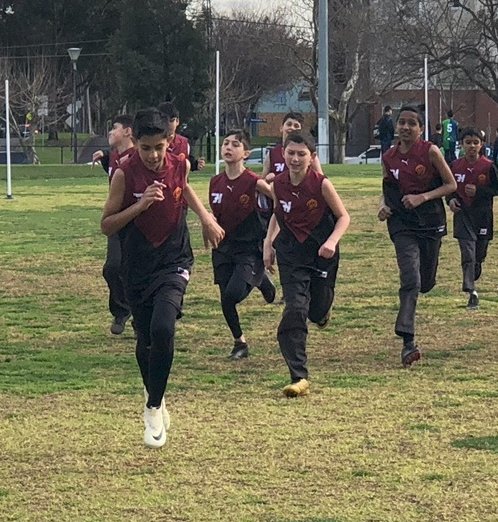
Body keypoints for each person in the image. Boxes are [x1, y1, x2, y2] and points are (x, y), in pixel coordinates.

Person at [100, 108, 224, 448]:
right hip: (137, 263)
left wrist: (205, 218)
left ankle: (153, 407)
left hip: (174, 258)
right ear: (135, 144)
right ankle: (155, 390)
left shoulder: (179, 163)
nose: (154, 156)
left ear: (169, 142)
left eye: (160, 147)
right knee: (145, 338)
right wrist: (140, 206)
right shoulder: (124, 175)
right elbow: (106, 224)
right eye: (146, 148)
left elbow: (183, 188)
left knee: (163, 327)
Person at [263, 132, 350, 397]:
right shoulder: (277, 184)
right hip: (291, 254)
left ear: (312, 158)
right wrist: (268, 245)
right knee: (295, 308)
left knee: (316, 310)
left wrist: (332, 242)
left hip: (321, 253)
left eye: (302, 154)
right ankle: (298, 375)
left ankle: (322, 313)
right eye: (291, 153)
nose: (295, 158)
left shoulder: (322, 184)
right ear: (283, 154)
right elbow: (278, 215)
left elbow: (344, 217)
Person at [378, 105, 457, 367]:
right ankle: (407, 340)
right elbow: (386, 188)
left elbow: (451, 185)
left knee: (425, 282)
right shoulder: (388, 157)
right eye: (401, 122)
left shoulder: (430, 151)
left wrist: (422, 197)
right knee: (410, 277)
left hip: (430, 221)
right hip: (402, 224)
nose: (405, 127)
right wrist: (382, 205)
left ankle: (419, 293)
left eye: (412, 123)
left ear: (421, 129)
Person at [209, 129, 277, 360]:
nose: (228, 147)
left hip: (249, 249)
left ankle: (260, 279)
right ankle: (240, 343)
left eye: (235, 144)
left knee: (232, 295)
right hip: (223, 248)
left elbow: (278, 203)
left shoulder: (253, 182)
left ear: (246, 153)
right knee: (225, 298)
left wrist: (271, 239)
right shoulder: (215, 182)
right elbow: (215, 213)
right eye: (225, 143)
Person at [447, 127, 498, 309]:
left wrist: (479, 191)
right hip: (463, 215)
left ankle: (477, 265)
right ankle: (470, 290)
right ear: (462, 144)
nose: (472, 146)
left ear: (481, 145)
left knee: (478, 253)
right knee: (467, 252)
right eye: (468, 142)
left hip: (482, 216)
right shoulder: (455, 166)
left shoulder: (488, 166)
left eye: (475, 142)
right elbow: (448, 188)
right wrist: (450, 201)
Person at [92, 114, 136, 334]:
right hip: (115, 220)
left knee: (136, 270)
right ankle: (121, 311)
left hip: (136, 220)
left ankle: (139, 317)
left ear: (128, 132)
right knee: (112, 268)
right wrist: (103, 157)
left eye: (115, 128)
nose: (110, 132)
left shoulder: (137, 155)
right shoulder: (114, 157)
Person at [262, 112, 324, 181]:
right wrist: (267, 179)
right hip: (277, 191)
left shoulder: (308, 153)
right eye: (289, 124)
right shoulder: (272, 154)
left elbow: (321, 179)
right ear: (281, 128)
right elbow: (261, 182)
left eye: (296, 126)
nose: (292, 128)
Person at [157, 101, 204, 171]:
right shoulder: (152, 142)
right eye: (164, 121)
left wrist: (196, 164)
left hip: (179, 182)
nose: (168, 124)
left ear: (177, 121)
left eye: (171, 120)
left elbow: (188, 161)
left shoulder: (184, 143)